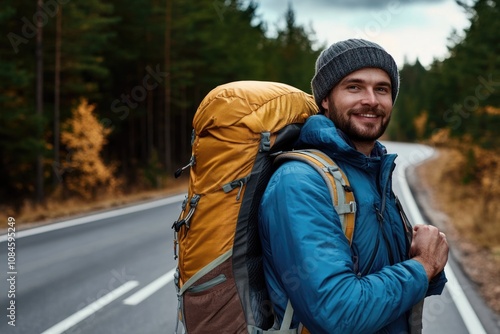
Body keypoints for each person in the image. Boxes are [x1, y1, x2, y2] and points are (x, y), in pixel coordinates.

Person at [258, 39, 449, 333]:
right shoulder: (299, 182)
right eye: (354, 87)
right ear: (325, 99)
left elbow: (389, 280)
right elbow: (338, 313)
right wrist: (424, 265)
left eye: (382, 89)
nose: (371, 100)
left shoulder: (372, 170)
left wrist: (424, 262)